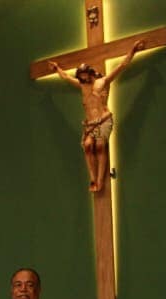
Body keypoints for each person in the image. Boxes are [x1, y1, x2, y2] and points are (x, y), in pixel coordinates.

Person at [49, 40, 144, 192]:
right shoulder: (82, 86)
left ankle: (100, 181)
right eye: (81, 77)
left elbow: (121, 66)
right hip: (90, 123)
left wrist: (133, 50)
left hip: (104, 119)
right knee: (87, 146)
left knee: (100, 146)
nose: (83, 79)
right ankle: (93, 179)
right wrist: (57, 68)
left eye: (85, 76)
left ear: (90, 72)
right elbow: (66, 77)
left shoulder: (103, 81)